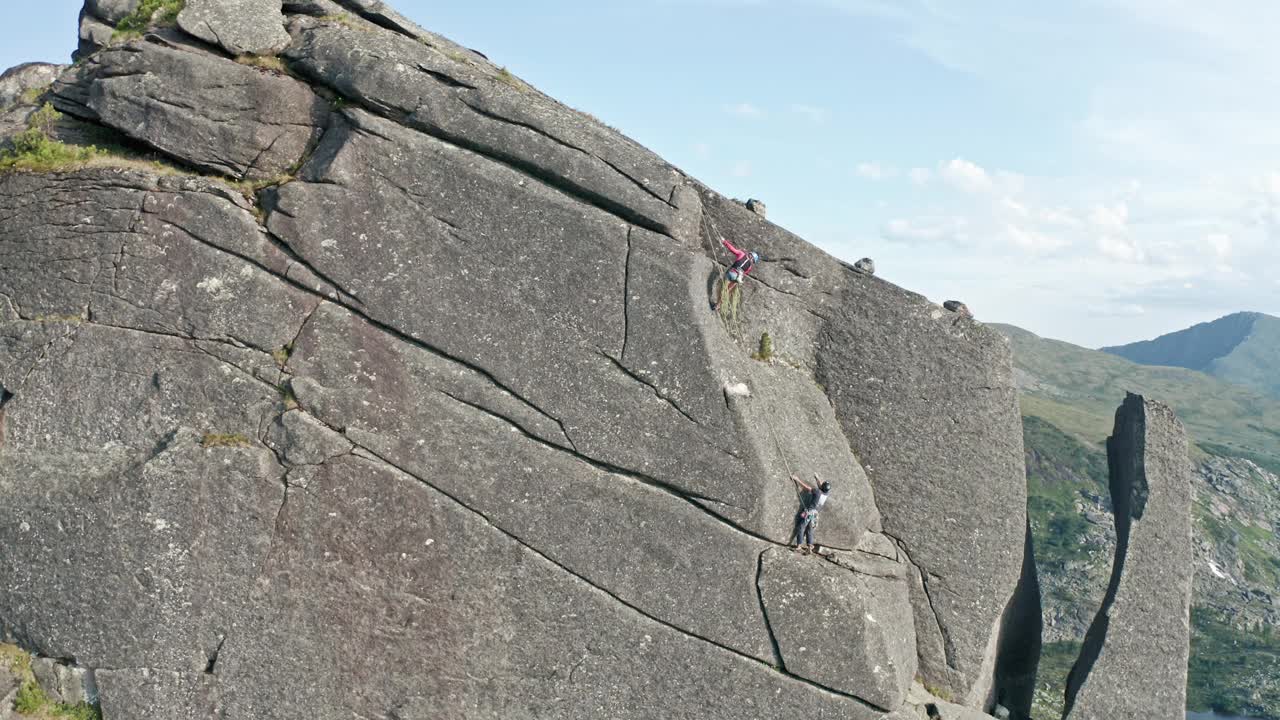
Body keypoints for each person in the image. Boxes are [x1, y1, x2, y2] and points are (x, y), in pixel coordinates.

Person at [711, 236, 760, 311]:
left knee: (722, 286)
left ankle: (717, 303)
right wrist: (735, 282)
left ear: (750, 254)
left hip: (731, 273)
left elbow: (732, 249)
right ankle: (718, 305)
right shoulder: (750, 267)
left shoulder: (742, 254)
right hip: (737, 277)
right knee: (727, 291)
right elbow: (743, 273)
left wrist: (724, 241)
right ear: (753, 261)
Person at [790, 473, 831, 554]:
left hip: (809, 512)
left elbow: (806, 487)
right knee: (809, 530)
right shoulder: (826, 494)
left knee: (801, 527)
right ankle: (810, 547)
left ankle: (798, 546)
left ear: (821, 487)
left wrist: (797, 479)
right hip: (815, 514)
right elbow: (821, 485)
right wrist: (817, 478)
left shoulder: (817, 492)